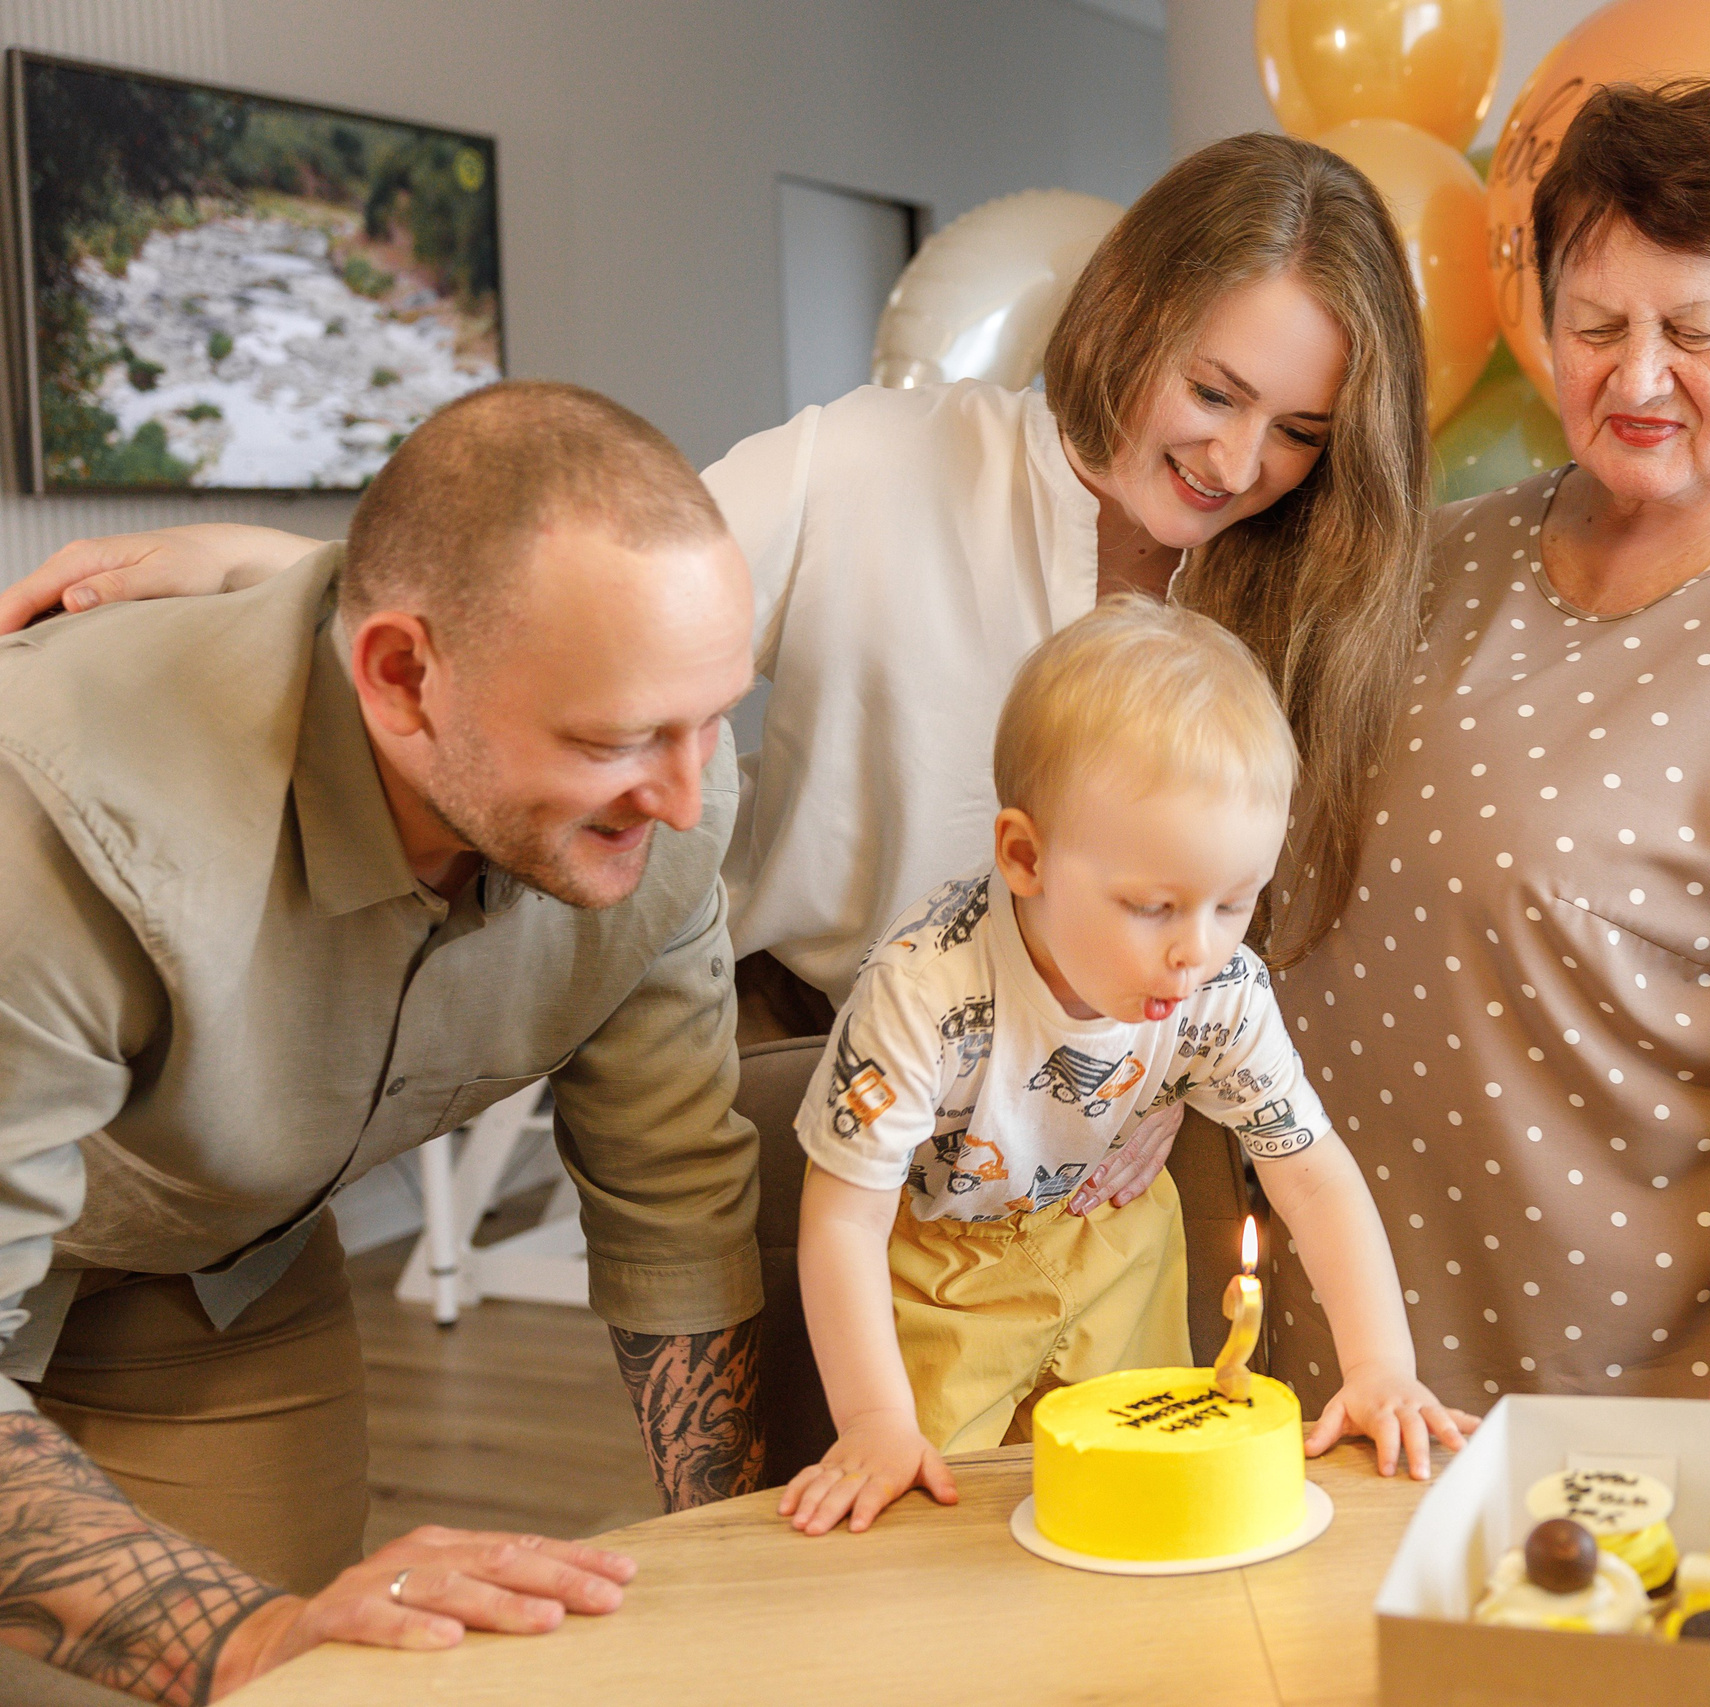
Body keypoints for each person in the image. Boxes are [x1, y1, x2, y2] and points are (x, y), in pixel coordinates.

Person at [0, 130, 1433, 1224]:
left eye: (1301, 430)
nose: (1241, 465)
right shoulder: (877, 458)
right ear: (1127, 312)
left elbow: (1230, 901)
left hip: (1096, 1125)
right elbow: (574, 592)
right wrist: (266, 559)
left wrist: (1160, 1078)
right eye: (1214, 391)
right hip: (809, 1069)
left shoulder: (1298, 588)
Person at [0, 382, 770, 1701]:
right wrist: (244, 1631)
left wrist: (756, 1590)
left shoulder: (665, 801)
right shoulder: (59, 813)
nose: (686, 793)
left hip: (214, 1260)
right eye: (617, 738)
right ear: (402, 679)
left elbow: (676, 1195)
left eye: (709, 719)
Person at [1268, 81, 1710, 1413]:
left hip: (1653, 1386)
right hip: (1357, 1340)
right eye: (1596, 323)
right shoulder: (1438, 556)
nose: (1637, 376)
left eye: (1696, 332)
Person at [776, 599, 1472, 1535]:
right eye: (1155, 906)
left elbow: (1310, 1174)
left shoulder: (1220, 981)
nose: (1198, 950)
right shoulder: (920, 993)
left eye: (1236, 901)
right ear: (1026, 857)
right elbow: (844, 1216)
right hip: (943, 1273)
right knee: (942, 1527)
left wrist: (1381, 1365)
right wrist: (874, 1420)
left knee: (1140, 1498)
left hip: (1114, 1244)